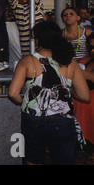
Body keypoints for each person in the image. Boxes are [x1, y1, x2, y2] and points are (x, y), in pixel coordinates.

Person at [8, 21, 90, 165]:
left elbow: (13, 93)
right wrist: (65, 90)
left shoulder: (27, 61)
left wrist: (27, 103)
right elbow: (85, 96)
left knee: (33, 161)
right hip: (62, 120)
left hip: (33, 119)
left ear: (37, 39)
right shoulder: (69, 62)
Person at [72, 33, 94, 147]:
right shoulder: (85, 60)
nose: (93, 51)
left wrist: (89, 76)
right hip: (79, 115)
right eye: (90, 47)